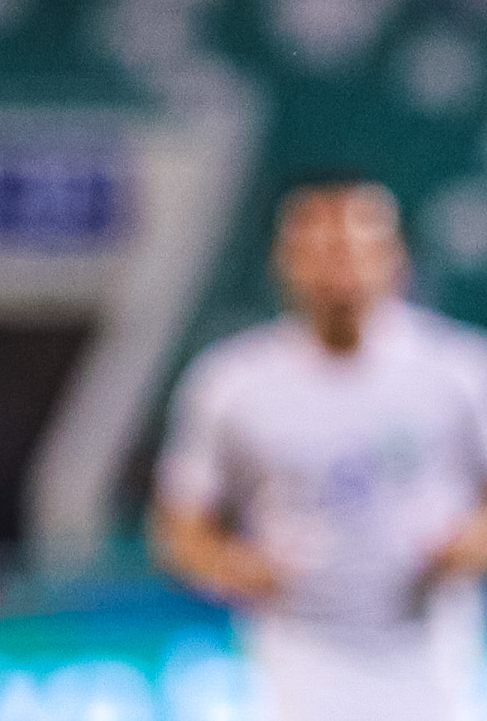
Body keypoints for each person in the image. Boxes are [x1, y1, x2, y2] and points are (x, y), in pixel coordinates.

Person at [154, 178, 487, 721]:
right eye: (320, 250)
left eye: (357, 248)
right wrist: (242, 567)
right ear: (284, 261)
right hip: (299, 650)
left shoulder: (461, 371)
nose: (341, 268)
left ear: (395, 257)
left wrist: (462, 548)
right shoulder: (231, 382)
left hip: (430, 646)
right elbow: (180, 528)